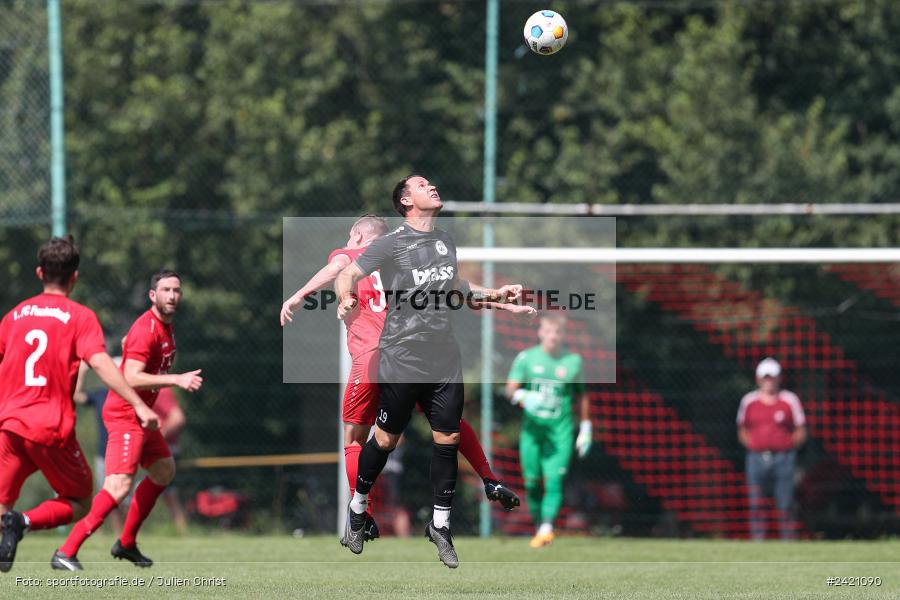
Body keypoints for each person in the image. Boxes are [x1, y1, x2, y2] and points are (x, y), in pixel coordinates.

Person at [281, 215, 522, 544]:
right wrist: (502, 303)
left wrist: (299, 295)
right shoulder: (402, 260)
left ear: (356, 236)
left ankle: (361, 514)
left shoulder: (351, 255)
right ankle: (489, 478)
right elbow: (453, 290)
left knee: (354, 437)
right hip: (409, 354)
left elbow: (337, 268)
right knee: (447, 424)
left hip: (371, 356)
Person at [334, 175, 528, 568]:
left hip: (443, 354)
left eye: (431, 184)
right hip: (402, 353)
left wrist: (496, 295)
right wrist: (345, 297)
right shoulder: (391, 243)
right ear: (406, 201)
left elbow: (456, 287)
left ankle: (440, 525)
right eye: (422, 185)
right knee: (385, 441)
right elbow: (346, 274)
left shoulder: (445, 242)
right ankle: (358, 508)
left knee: (449, 436)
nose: (432, 187)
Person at [0, 236, 159, 573]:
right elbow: (100, 363)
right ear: (75, 277)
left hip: (10, 426)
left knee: (1, 503)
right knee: (80, 500)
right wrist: (139, 404)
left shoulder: (14, 316)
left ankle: (11, 523)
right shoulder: (80, 317)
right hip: (50, 430)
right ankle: (23, 521)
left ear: (39, 272)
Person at [55, 270, 203, 571]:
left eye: (176, 290)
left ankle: (126, 542)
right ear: (152, 295)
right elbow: (132, 376)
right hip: (125, 416)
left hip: (143, 416)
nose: (172, 295)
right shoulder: (147, 328)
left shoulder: (164, 327)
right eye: (165, 290)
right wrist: (176, 379)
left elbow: (131, 348)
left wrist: (130, 346)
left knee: (163, 470)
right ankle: (65, 552)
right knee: (118, 486)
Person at [505, 314, 592, 548]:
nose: (553, 337)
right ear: (540, 333)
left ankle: (546, 527)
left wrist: (586, 427)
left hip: (560, 433)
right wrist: (523, 395)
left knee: (554, 480)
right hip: (532, 433)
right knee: (532, 484)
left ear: (563, 335)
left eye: (557, 332)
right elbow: (510, 389)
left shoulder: (573, 361)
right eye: (549, 331)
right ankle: (539, 527)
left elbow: (582, 395)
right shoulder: (527, 358)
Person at [737, 357, 806, 540]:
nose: (769, 381)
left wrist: (787, 447)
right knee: (756, 502)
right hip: (756, 458)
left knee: (786, 502)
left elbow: (800, 430)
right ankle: (758, 540)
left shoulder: (789, 400)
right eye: (765, 377)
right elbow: (742, 429)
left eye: (772, 377)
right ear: (759, 379)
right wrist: (754, 445)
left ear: (779, 378)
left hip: (784, 458)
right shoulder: (749, 401)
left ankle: (788, 540)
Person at [73, 359, 125, 534]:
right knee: (109, 496)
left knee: (125, 498)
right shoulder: (101, 395)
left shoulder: (129, 393)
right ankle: (118, 533)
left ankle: (128, 532)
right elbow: (76, 395)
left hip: (125, 451)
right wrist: (82, 372)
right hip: (104, 453)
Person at [153, 387, 189, 535]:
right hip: (158, 449)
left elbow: (178, 418)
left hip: (165, 450)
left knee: (170, 494)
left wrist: (158, 437)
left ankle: (182, 531)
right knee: (168, 494)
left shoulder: (161, 390)